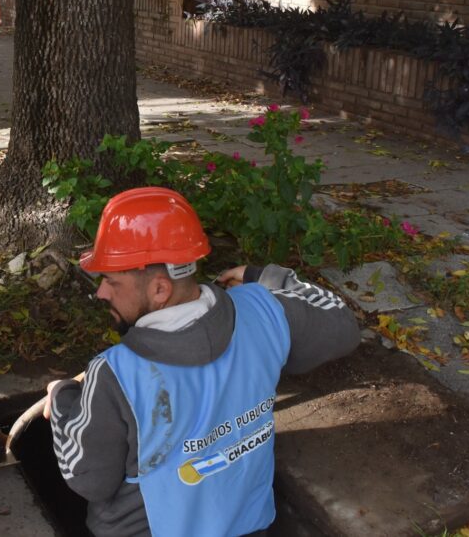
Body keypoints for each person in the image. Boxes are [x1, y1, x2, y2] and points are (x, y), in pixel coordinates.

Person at [44, 187, 360, 537]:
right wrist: (264, 277)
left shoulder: (116, 373)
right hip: (248, 526)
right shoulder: (267, 312)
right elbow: (342, 323)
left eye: (110, 281)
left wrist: (62, 399)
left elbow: (88, 479)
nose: (101, 292)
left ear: (160, 290)